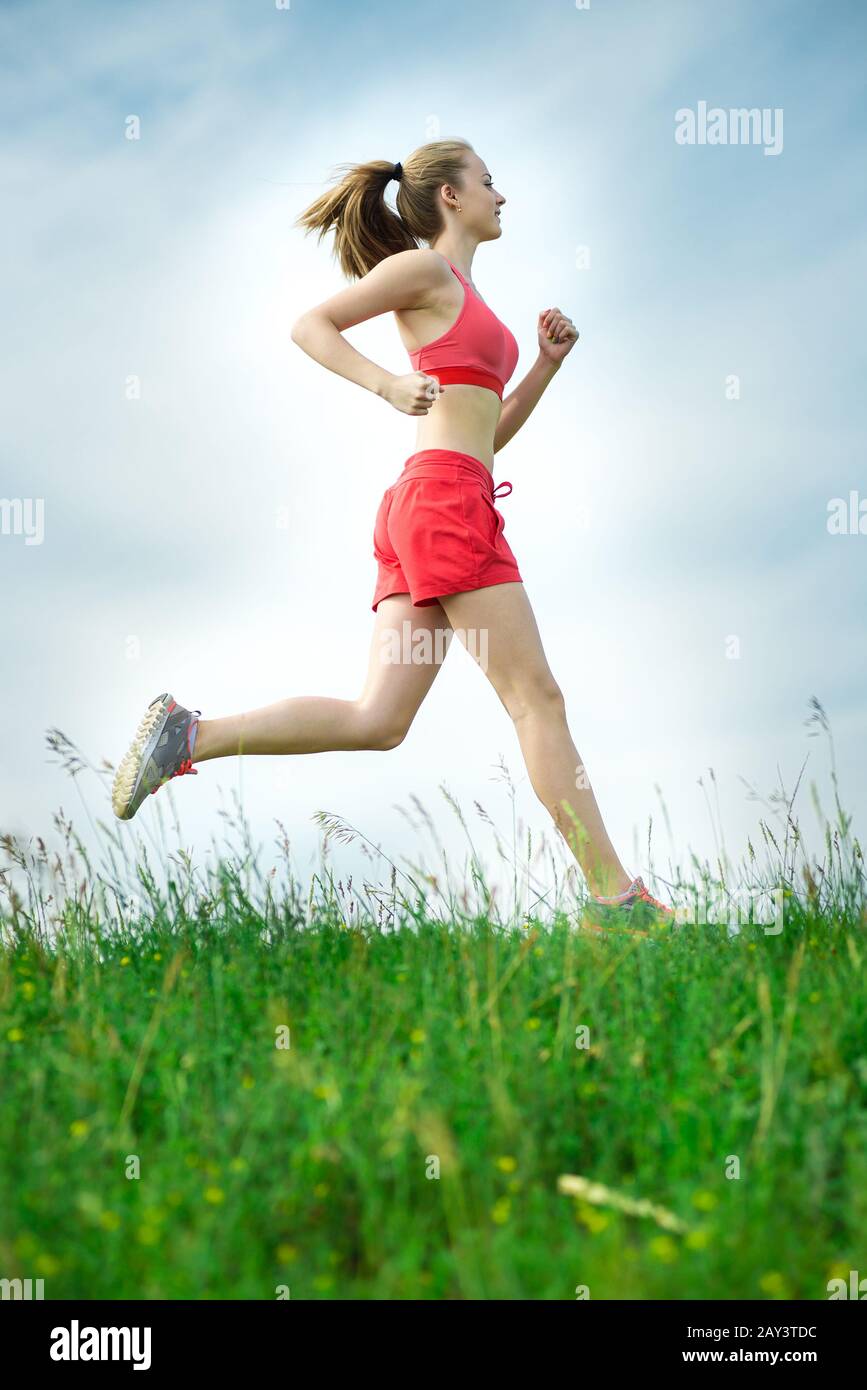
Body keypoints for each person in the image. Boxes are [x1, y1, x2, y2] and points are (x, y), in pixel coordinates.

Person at [111, 137, 672, 927]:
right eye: (488, 181)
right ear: (449, 195)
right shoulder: (425, 271)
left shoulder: (468, 297)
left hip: (444, 496)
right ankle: (617, 902)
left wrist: (542, 366)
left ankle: (188, 734)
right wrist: (385, 384)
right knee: (535, 698)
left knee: (379, 720)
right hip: (444, 503)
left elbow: (484, 435)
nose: (500, 195)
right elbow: (312, 325)